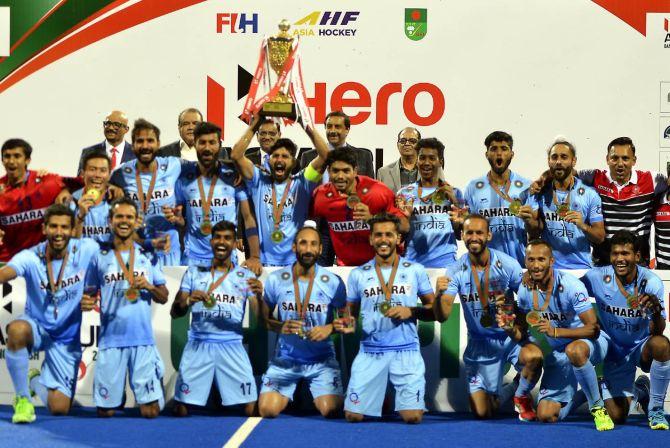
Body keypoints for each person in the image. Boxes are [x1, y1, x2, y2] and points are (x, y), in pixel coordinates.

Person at [434, 214, 541, 421]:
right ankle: (508, 391)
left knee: (534, 357)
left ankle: (520, 396)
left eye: (479, 232)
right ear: (462, 236)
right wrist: (439, 296)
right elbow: (443, 315)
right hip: (479, 343)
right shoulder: (455, 270)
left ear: (489, 235)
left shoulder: (508, 264)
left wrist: (512, 312)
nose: (474, 237)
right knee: (483, 413)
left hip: (509, 337)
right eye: (469, 232)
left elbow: (531, 306)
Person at [0, 204, 98, 423]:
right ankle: (23, 399)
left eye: (64, 227)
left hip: (66, 338)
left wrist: (93, 296)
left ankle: (34, 380)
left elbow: (108, 267)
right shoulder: (30, 256)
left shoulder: (87, 249)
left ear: (73, 230)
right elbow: (6, 273)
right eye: (53, 226)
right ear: (44, 229)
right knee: (16, 329)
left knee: (59, 409)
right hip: (38, 327)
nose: (58, 232)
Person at [335, 213, 435, 423]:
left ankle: (387, 396)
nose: (383, 240)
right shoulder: (358, 274)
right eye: (378, 235)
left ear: (398, 238)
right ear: (371, 239)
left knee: (413, 417)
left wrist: (412, 311)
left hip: (406, 350)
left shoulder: (415, 270)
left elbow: (434, 309)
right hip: (371, 352)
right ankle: (381, 394)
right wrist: (344, 322)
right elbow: (349, 313)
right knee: (353, 416)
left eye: (389, 234)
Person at [82, 198, 169, 418]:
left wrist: (148, 285)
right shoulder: (98, 257)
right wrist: (85, 302)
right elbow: (88, 293)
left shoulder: (147, 255)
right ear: (110, 221)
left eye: (129, 217)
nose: (124, 221)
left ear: (136, 221)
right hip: (111, 342)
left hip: (143, 342)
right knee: (106, 412)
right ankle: (115, 393)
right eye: (119, 216)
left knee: (150, 412)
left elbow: (164, 296)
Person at [514, 240, 613, 430]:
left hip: (590, 343)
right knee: (546, 415)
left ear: (551, 261)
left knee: (574, 350)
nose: (536, 265)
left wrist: (556, 332)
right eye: (531, 260)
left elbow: (593, 329)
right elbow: (521, 328)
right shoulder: (525, 289)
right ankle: (587, 392)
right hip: (560, 353)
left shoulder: (570, 285)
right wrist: (509, 326)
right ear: (525, 262)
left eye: (541, 259)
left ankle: (597, 408)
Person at [581, 230, 670, 430]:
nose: (620, 259)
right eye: (615, 254)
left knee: (662, 345)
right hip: (613, 347)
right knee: (617, 416)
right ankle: (639, 391)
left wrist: (656, 313)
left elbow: (658, 330)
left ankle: (656, 410)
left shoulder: (652, 282)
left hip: (640, 346)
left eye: (625, 254)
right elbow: (571, 290)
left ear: (637, 257)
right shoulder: (597, 276)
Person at [170, 220, 258, 416]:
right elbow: (175, 312)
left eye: (227, 238)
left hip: (232, 345)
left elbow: (261, 318)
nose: (221, 242)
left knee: (252, 408)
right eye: (217, 237)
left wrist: (259, 296)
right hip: (199, 344)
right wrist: (187, 302)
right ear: (211, 242)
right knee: (180, 411)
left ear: (235, 243)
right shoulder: (194, 271)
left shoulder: (245, 276)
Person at [533, 137, 667, 266]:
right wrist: (543, 177)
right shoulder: (595, 177)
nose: (620, 163)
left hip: (638, 264)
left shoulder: (652, 180)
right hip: (603, 264)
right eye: (614, 158)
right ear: (607, 159)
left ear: (634, 160)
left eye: (625, 158)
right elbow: (563, 170)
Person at [258, 226, 346, 418]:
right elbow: (263, 320)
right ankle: (292, 394)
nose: (308, 249)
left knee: (331, 410)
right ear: (294, 247)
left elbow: (349, 322)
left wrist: (330, 327)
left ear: (321, 249)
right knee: (266, 410)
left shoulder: (333, 281)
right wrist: (280, 326)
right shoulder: (276, 279)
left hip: (321, 361)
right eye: (303, 243)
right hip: (286, 360)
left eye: (313, 244)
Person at [231, 115, 329, 266]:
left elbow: (326, 155)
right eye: (275, 156)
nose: (279, 160)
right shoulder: (258, 180)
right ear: (269, 159)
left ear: (293, 161)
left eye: (285, 156)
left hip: (296, 264)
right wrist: (254, 125)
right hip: (264, 264)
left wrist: (305, 125)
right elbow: (236, 155)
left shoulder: (303, 182)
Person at [172, 121, 261, 273]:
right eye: (202, 142)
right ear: (195, 144)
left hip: (227, 260)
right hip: (192, 260)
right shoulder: (182, 177)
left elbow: (248, 218)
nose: (207, 148)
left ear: (219, 145)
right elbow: (177, 219)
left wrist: (254, 257)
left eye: (212, 142)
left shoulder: (233, 176)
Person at [311, 149, 408, 266]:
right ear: (328, 171)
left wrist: (373, 219)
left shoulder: (377, 192)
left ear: (355, 171)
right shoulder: (321, 196)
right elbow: (300, 220)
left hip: (383, 266)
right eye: (335, 171)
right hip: (346, 269)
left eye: (346, 171)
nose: (340, 176)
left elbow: (404, 226)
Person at [110, 118, 182, 267]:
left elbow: (206, 167)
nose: (145, 146)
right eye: (140, 141)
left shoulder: (173, 165)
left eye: (150, 140)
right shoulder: (120, 174)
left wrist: (235, 170)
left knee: (169, 289)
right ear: (133, 145)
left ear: (158, 144)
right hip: (137, 247)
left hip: (167, 247)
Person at [523, 138, 605, 269]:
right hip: (549, 268)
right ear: (549, 161)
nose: (559, 162)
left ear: (574, 161)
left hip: (581, 267)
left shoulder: (590, 194)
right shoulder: (539, 191)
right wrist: (528, 220)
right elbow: (534, 232)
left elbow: (600, 237)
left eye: (564, 157)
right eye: (554, 157)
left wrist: (582, 225)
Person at [1, 139, 82, 262]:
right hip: (9, 261)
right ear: (2, 160)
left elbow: (83, 182)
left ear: (27, 160)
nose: (11, 161)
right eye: (7, 156)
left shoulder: (46, 182)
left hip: (42, 260)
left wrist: (65, 190)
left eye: (17, 156)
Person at [464, 131, 531, 266]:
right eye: (493, 149)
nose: (499, 154)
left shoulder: (526, 186)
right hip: (486, 266)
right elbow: (468, 230)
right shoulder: (473, 188)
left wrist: (531, 220)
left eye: (504, 149)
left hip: (520, 264)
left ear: (512, 154)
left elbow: (535, 230)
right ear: (486, 154)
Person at [397, 138, 464, 268]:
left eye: (432, 158)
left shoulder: (455, 193)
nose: (426, 163)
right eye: (422, 158)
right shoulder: (403, 194)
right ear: (417, 161)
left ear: (441, 162)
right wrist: (404, 218)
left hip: (446, 265)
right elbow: (399, 236)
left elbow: (460, 235)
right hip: (412, 265)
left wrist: (455, 203)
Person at [299, 111, 374, 178]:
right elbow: (302, 187)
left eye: (337, 127)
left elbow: (371, 188)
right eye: (329, 126)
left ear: (347, 130)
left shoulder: (364, 156)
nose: (332, 131)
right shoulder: (308, 157)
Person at [378, 127, 444, 193]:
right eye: (403, 141)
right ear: (398, 145)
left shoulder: (434, 169)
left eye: (412, 141)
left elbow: (441, 196)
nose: (407, 144)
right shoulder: (383, 173)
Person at [71, 152, 113, 243]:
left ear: (109, 175)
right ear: (82, 173)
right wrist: (80, 217)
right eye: (92, 169)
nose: (97, 175)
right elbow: (69, 245)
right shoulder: (70, 203)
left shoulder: (116, 204)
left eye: (103, 170)